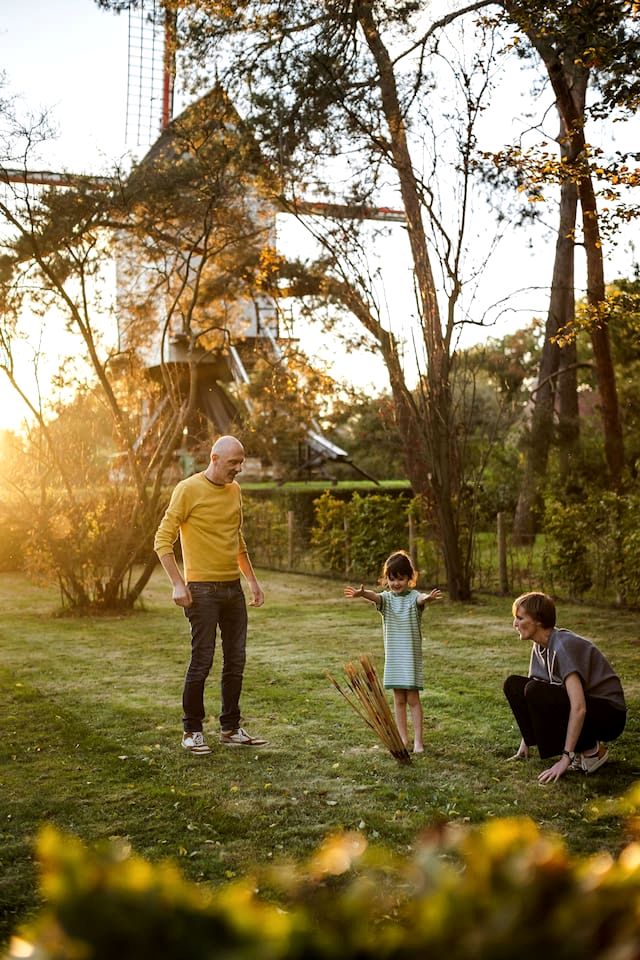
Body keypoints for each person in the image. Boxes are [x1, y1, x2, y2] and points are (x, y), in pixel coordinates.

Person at [154, 435, 267, 755]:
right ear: (214, 459)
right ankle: (192, 731)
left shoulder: (235, 490)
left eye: (241, 462)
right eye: (234, 462)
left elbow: (237, 539)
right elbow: (162, 540)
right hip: (201, 591)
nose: (239, 468)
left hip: (232, 589)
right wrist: (178, 583)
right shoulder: (188, 489)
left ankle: (231, 728)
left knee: (236, 660)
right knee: (202, 660)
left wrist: (252, 581)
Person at [504, 591, 626, 783]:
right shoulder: (539, 646)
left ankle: (591, 751)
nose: (515, 624)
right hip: (590, 707)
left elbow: (579, 707)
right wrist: (526, 742)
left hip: (610, 714)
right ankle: (580, 748)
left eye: (520, 618)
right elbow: (529, 697)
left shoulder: (562, 646)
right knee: (514, 685)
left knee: (534, 690)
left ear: (538, 620)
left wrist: (565, 758)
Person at [344, 550, 442, 754]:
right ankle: (403, 739)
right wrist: (363, 593)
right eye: (392, 579)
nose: (396, 583)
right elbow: (375, 597)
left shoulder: (413, 597)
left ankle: (418, 742)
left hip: (410, 658)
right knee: (399, 700)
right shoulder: (386, 600)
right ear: (386, 579)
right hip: (395, 659)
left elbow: (421, 599)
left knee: (413, 699)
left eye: (401, 578)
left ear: (409, 578)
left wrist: (428, 598)